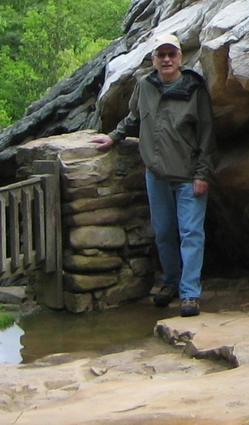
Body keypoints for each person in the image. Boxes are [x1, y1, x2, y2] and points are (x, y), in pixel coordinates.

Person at [92, 31, 215, 316]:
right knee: (163, 233)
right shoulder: (145, 86)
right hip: (156, 175)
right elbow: (134, 118)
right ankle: (170, 282)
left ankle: (190, 293)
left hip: (188, 176)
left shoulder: (194, 88)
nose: (167, 59)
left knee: (191, 234)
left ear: (180, 57)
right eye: (162, 55)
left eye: (172, 54)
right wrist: (113, 137)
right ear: (154, 59)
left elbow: (207, 133)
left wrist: (203, 173)